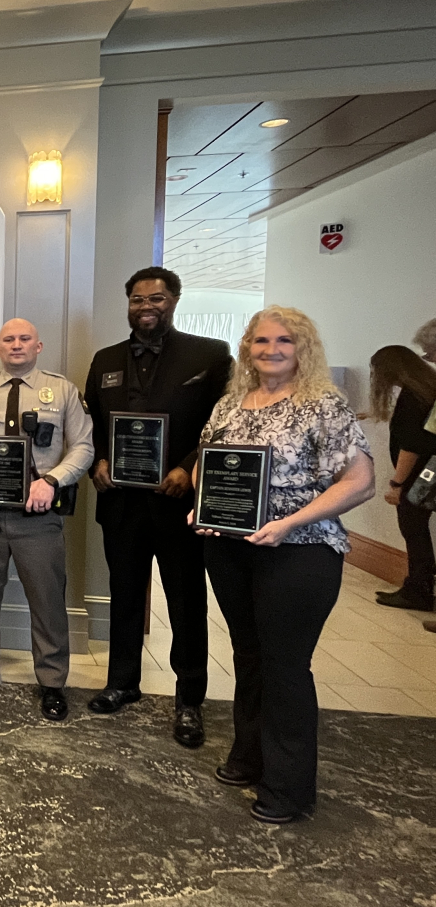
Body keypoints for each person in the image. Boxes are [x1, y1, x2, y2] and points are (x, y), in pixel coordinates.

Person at [194, 306, 374, 824]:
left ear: (304, 348)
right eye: (260, 340)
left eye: (285, 341)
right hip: (230, 547)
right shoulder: (230, 405)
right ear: (247, 348)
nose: (271, 349)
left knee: (285, 665)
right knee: (248, 654)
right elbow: (212, 465)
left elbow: (358, 481)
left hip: (300, 551)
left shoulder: (325, 406)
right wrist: (203, 506)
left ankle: (290, 787)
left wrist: (292, 521)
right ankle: (249, 756)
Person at [83, 267, 232, 748]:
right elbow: (93, 428)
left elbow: (223, 425)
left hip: (178, 503)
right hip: (121, 503)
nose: (147, 306)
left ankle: (189, 700)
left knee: (186, 600)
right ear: (127, 303)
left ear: (174, 300)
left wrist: (190, 466)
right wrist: (99, 461)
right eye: (138, 299)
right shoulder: (104, 359)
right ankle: (122, 683)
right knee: (125, 594)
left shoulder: (209, 356)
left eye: (157, 298)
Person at [0, 319, 94, 720]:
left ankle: (52, 680)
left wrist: (52, 481)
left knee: (46, 601)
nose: (16, 345)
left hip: (38, 516)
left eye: (24, 338)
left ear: (38, 345)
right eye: (8, 339)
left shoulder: (62, 390)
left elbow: (82, 447)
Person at [368, 345, 436, 612]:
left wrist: (397, 484)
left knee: (413, 529)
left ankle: (417, 590)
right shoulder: (428, 389)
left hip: (420, 474)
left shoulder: (412, 397)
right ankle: (421, 585)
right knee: (418, 530)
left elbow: (411, 445)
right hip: (431, 470)